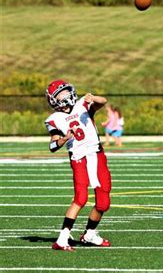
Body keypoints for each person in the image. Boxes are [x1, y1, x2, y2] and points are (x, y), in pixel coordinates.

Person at [44, 80, 112, 251]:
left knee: (103, 202)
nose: (66, 95)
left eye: (67, 91)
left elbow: (103, 102)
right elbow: (52, 146)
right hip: (79, 158)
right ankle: (62, 239)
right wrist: (64, 139)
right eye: (61, 94)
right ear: (54, 99)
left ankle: (89, 234)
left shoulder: (83, 105)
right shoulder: (54, 119)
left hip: (96, 154)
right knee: (80, 198)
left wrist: (93, 97)